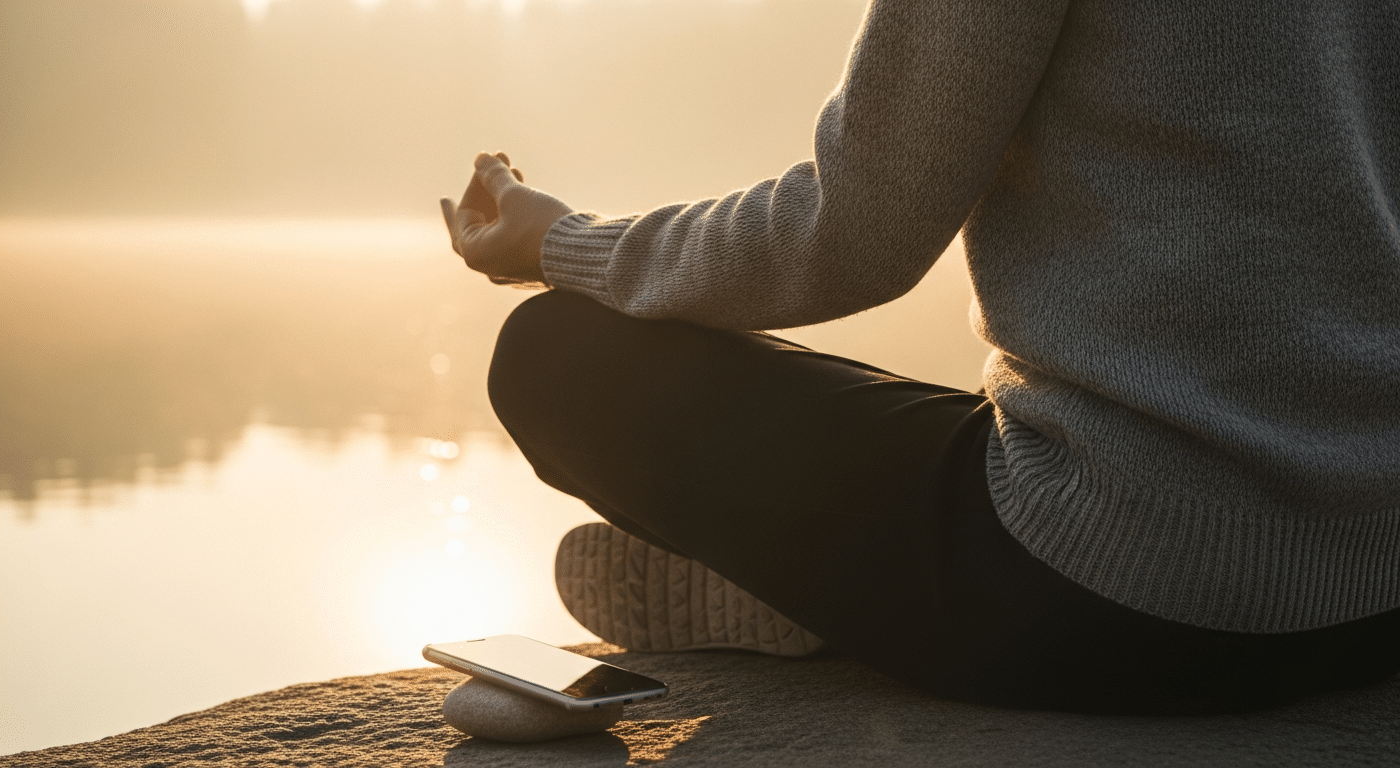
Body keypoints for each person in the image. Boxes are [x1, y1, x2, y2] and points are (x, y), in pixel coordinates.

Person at [441, 0, 1400, 714]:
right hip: (1375, 600)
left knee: (558, 356)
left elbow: (853, 234)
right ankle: (830, 581)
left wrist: (561, 242)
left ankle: (819, 587)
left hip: (1123, 598)